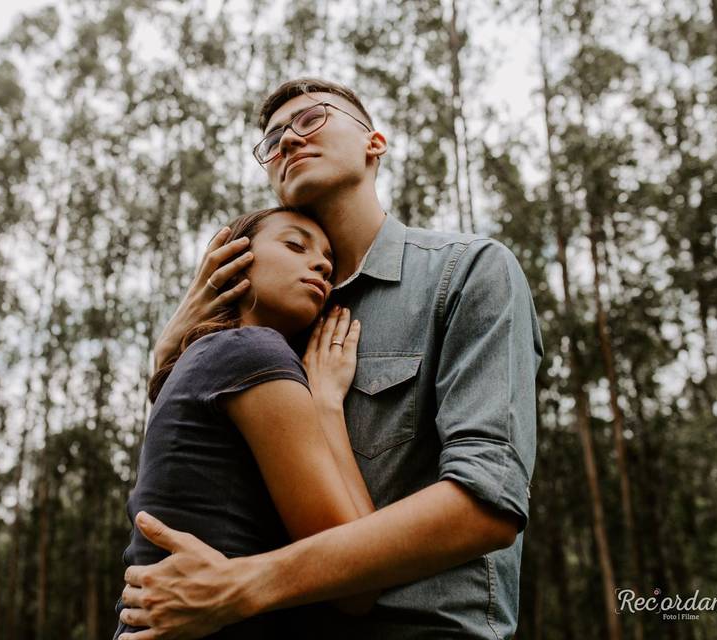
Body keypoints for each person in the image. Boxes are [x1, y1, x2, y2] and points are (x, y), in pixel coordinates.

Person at [119, 78, 544, 639]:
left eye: (312, 119)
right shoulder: (275, 321)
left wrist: (247, 582)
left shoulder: (466, 274)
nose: (288, 141)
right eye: (272, 140)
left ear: (375, 143)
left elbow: (486, 505)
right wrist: (170, 353)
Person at [114, 206, 381, 639]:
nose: (321, 265)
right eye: (295, 245)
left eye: (329, 264)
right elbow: (358, 583)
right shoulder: (251, 353)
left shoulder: (204, 359)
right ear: (235, 260)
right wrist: (328, 404)